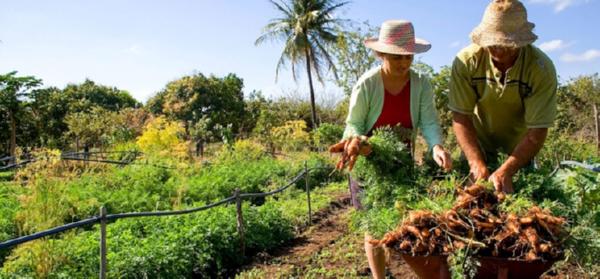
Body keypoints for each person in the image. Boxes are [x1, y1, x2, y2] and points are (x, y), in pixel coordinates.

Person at [335, 19, 452, 279]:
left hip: (401, 163)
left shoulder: (421, 84)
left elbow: (429, 121)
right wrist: (356, 142)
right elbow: (353, 123)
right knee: (374, 227)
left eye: (408, 56)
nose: (404, 63)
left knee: (403, 221)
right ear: (381, 54)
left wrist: (436, 146)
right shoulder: (367, 84)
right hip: (367, 164)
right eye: (397, 57)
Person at [449, 0, 557, 193]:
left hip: (518, 151)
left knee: (517, 202)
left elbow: (537, 131)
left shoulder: (540, 69)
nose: (498, 48)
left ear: (521, 41)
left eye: (506, 44)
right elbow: (461, 116)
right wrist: (475, 162)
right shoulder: (467, 61)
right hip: (476, 143)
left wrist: (508, 169)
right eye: (493, 42)